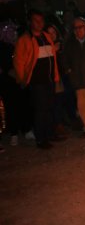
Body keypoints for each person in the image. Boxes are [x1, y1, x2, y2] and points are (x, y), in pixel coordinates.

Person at [13, 9, 62, 149]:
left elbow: (53, 58)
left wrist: (55, 76)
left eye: (41, 20)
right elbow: (19, 62)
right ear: (30, 22)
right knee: (40, 110)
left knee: (49, 107)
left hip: (49, 80)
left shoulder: (46, 36)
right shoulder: (24, 40)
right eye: (36, 21)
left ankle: (50, 134)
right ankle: (41, 139)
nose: (39, 23)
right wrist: (22, 79)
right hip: (36, 82)